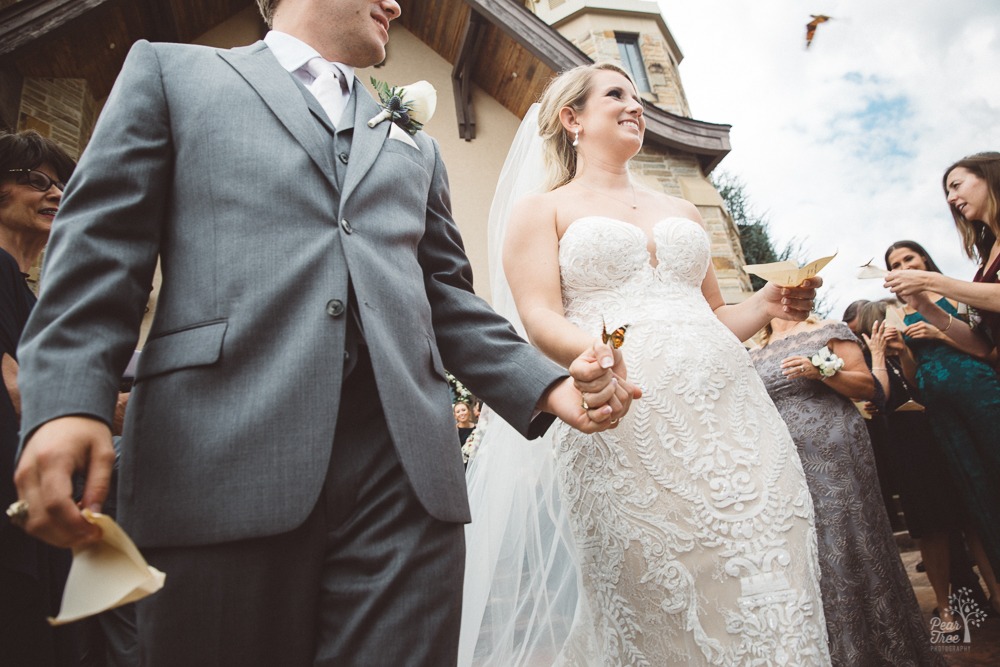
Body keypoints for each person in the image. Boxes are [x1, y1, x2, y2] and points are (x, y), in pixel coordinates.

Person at [9, 2, 637, 665]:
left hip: (406, 485)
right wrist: (67, 400)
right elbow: (103, 248)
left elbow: (445, 295)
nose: (396, 3)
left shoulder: (415, 144)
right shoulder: (172, 74)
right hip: (217, 459)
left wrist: (549, 388)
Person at [460, 63, 830, 665]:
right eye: (616, 96)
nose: (636, 106)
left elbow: (715, 316)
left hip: (735, 420)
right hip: (627, 420)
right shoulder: (543, 210)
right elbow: (538, 316)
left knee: (772, 567)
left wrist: (768, 302)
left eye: (638, 97)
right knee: (668, 593)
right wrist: (591, 355)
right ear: (572, 118)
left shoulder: (683, 211)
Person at [750, 315, 943, 666]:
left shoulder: (828, 330)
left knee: (846, 534)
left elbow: (868, 387)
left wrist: (823, 371)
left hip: (833, 446)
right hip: (781, 458)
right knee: (807, 544)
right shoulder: (753, 345)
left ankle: (875, 646)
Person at [884, 240, 1000, 610]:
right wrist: (903, 353)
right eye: (895, 263)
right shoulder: (901, 314)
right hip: (938, 404)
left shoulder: (958, 294)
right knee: (974, 482)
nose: (903, 265)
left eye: (908, 258)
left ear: (923, 260)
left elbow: (988, 349)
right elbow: (914, 381)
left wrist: (938, 333)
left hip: (977, 387)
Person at [0, 130, 79, 666]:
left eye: (62, 186)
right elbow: (18, 391)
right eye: (36, 182)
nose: (55, 195)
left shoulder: (26, 289)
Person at [885, 153, 1000, 345]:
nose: (950, 199)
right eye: (948, 193)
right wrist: (924, 306)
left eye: (956, 185)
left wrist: (931, 280)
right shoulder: (986, 259)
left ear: (991, 176)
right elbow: (983, 346)